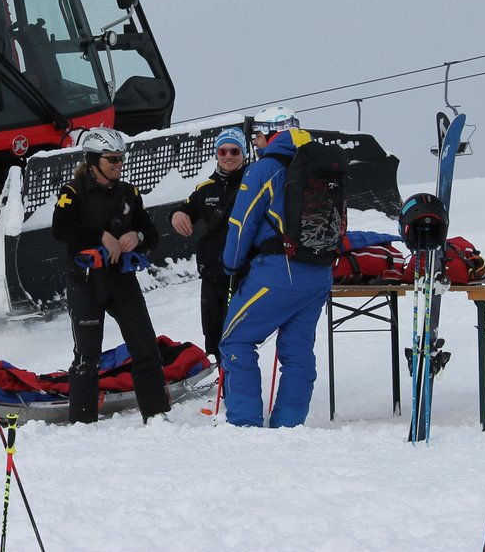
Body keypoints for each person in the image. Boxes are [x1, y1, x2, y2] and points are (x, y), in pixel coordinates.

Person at [218, 105, 337, 428]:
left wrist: (231, 265)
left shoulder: (264, 169)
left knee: (235, 340)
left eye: (258, 135)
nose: (255, 142)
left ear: (272, 133)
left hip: (278, 273)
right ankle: (289, 424)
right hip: (319, 274)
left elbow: (241, 224)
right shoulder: (319, 166)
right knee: (297, 351)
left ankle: (245, 424)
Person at [51, 126, 170, 423]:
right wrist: (99, 236)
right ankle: (83, 423)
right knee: (87, 356)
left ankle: (156, 415)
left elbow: (151, 233)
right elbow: (60, 229)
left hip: (121, 280)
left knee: (145, 346)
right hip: (85, 282)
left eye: (121, 158)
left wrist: (137, 237)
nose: (119, 164)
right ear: (94, 161)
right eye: (112, 159)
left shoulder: (129, 192)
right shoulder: (73, 191)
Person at [171, 127, 249, 358]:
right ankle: (222, 374)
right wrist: (177, 214)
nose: (228, 156)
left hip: (242, 274)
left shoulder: (253, 184)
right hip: (212, 274)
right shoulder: (205, 189)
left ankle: (235, 377)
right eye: (223, 151)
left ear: (244, 153)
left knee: (238, 336)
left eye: (234, 151)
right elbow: (185, 208)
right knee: (213, 335)